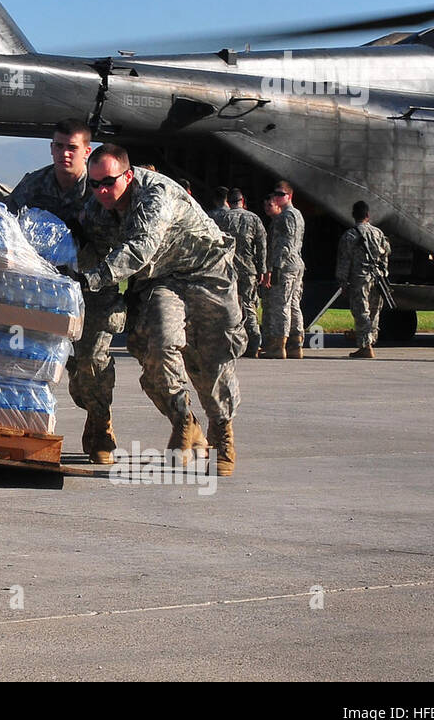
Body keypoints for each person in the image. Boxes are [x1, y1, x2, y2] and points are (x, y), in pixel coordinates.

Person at [78, 144, 244, 476]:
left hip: (207, 272)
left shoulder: (156, 194)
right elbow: (89, 246)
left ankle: (221, 429)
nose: (102, 191)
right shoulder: (98, 208)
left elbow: (140, 247)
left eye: (108, 182)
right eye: (94, 184)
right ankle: (184, 420)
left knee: (211, 359)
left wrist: (92, 279)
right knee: (156, 346)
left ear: (128, 175)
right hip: (162, 279)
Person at [7, 118, 123, 464]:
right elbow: (8, 225)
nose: (64, 154)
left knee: (90, 363)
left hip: (94, 290)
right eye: (58, 146)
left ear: (87, 151)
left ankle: (100, 427)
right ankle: (27, 430)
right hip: (45, 292)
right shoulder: (34, 185)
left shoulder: (101, 187)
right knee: (36, 363)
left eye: (72, 147)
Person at [336, 201, 391, 359]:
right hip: (378, 278)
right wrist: (384, 272)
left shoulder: (350, 235)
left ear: (353, 215)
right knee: (374, 311)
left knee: (361, 312)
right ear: (368, 215)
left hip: (360, 279)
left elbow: (344, 260)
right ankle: (370, 342)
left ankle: (365, 346)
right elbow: (386, 253)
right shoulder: (378, 233)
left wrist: (342, 281)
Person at [219, 188, 268, 358]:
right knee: (248, 305)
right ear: (243, 202)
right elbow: (261, 246)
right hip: (248, 269)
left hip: (226, 269)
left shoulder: (220, 218)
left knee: (228, 305)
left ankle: (231, 343)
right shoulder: (253, 219)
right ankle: (254, 343)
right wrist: (262, 269)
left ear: (228, 202)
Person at [260, 181, 306, 359]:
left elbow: (285, 244)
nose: (277, 198)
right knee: (293, 304)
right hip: (294, 263)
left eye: (281, 194)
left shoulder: (287, 216)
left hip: (286, 265)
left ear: (289, 196)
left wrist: (275, 267)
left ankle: (279, 346)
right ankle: (295, 344)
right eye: (275, 194)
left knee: (282, 304)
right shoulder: (295, 215)